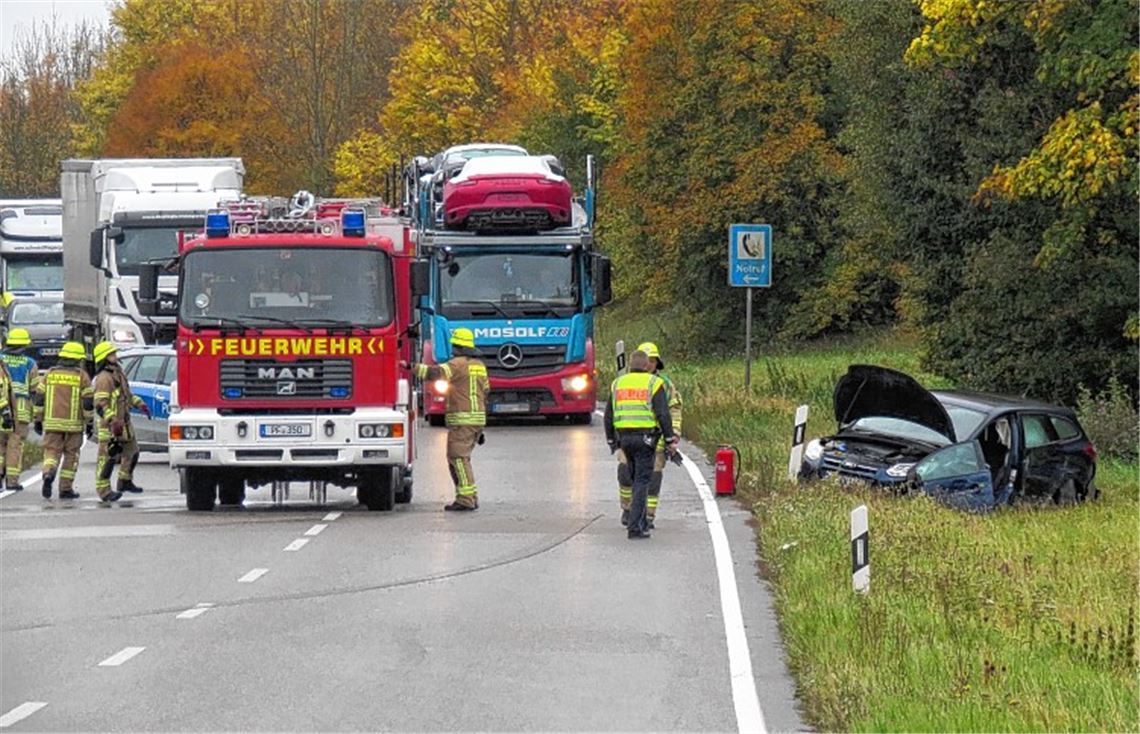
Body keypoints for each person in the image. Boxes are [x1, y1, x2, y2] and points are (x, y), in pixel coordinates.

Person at [400, 328, 489, 511]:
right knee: (461, 458)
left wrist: (410, 366)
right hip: (476, 419)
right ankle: (470, 496)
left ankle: (466, 498)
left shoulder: (457, 364)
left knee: (458, 458)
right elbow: (485, 390)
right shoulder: (479, 365)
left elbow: (435, 373)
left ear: (457, 346)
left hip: (463, 419)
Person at [604, 349, 678, 539]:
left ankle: (641, 521)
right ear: (646, 366)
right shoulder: (654, 383)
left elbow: (608, 415)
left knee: (634, 477)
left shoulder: (618, 383)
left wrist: (611, 440)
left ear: (629, 365)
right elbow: (663, 414)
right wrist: (670, 439)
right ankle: (635, 527)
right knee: (642, 481)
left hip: (624, 440)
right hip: (645, 439)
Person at [34, 341, 93, 501]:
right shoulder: (82, 376)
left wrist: (38, 420)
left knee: (51, 452)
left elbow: (39, 399)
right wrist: (90, 422)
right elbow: (88, 402)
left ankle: (48, 473)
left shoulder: (49, 374)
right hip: (74, 426)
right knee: (71, 456)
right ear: (77, 360)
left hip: (52, 424)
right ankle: (65, 489)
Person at [92, 341, 150, 501]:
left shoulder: (118, 373)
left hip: (124, 424)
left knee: (133, 452)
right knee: (107, 459)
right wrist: (112, 420)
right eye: (111, 354)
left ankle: (125, 481)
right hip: (111, 427)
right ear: (104, 358)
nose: (115, 356)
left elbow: (126, 395)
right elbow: (100, 404)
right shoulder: (104, 378)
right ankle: (104, 491)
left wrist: (139, 404)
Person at [0, 329, 37, 490]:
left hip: (2, 409)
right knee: (15, 445)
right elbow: (34, 389)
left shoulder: (1, 360)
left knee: (1, 444)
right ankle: (12, 481)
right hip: (20, 411)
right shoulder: (29, 363)